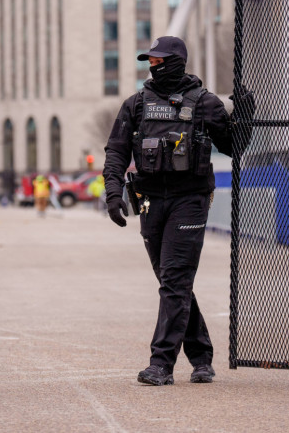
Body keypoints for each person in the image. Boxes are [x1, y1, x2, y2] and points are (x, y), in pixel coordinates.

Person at [102, 35, 254, 386]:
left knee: (175, 279)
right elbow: (116, 151)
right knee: (173, 281)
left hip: (191, 199)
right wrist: (113, 194)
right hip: (150, 200)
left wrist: (245, 114)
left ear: (175, 61)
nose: (152, 67)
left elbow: (234, 148)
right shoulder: (136, 105)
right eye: (149, 61)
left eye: (157, 61)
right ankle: (201, 355)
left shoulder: (205, 103)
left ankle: (161, 363)